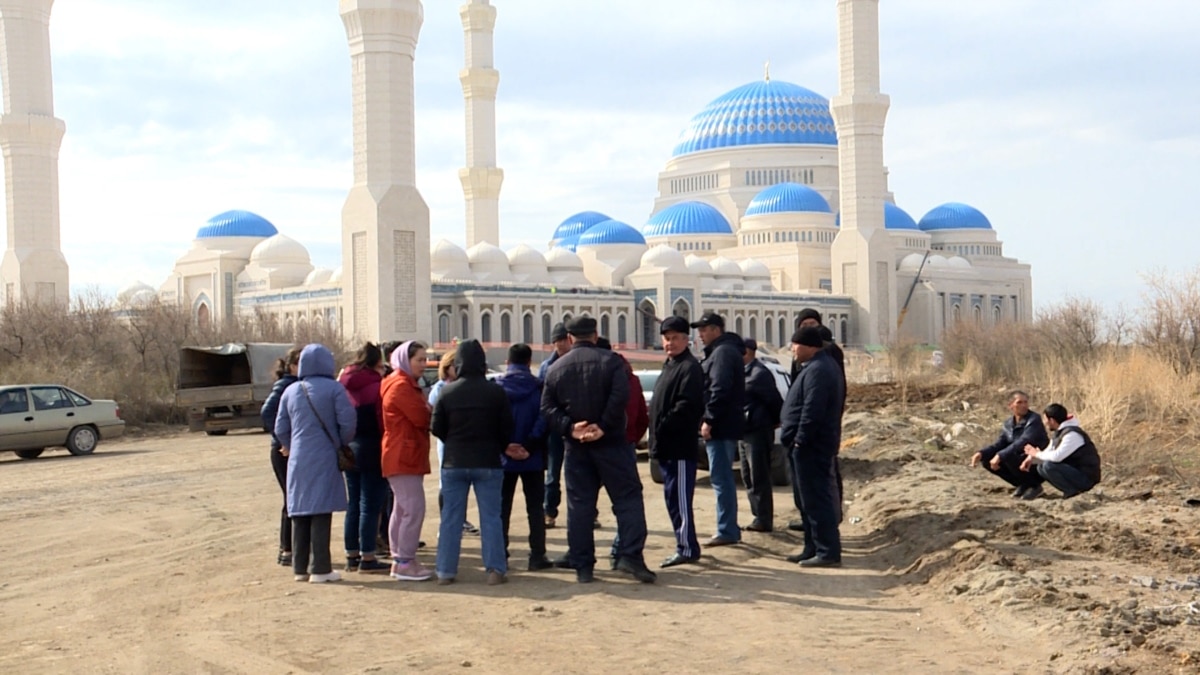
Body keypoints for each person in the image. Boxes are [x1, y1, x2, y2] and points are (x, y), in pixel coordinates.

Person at [541, 316, 656, 584]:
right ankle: (630, 556)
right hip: (613, 444)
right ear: (595, 335)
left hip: (577, 447)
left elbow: (546, 408)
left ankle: (583, 566)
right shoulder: (612, 362)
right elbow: (621, 397)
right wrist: (603, 426)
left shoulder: (557, 368)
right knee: (627, 500)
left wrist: (571, 428)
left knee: (580, 506)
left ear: (569, 338)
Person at [431, 339, 518, 585]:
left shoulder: (446, 392)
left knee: (451, 518)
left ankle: (445, 572)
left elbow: (436, 427)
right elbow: (507, 427)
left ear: (457, 364)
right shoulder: (495, 391)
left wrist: (453, 440)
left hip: (454, 461)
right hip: (488, 460)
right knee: (491, 517)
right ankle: (495, 570)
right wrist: (499, 445)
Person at [274, 343, 357, 583]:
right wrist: (339, 442)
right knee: (321, 510)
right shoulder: (334, 389)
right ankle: (320, 568)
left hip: (297, 457)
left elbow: (280, 426)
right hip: (324, 454)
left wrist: (291, 443)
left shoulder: (291, 390)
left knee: (299, 509)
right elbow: (348, 421)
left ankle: (300, 568)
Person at [780, 326, 845, 568]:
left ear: (808, 346)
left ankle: (827, 551)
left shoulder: (820, 370)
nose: (793, 350)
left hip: (812, 446)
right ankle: (812, 546)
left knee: (817, 500)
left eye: (795, 345)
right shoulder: (815, 367)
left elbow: (812, 409)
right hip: (806, 446)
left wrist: (801, 439)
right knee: (806, 500)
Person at [649, 316, 706, 568]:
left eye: (675, 338)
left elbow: (686, 407)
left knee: (680, 499)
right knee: (672, 498)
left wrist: (663, 427)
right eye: (667, 338)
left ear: (686, 340)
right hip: (665, 447)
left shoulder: (689, 368)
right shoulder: (669, 366)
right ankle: (684, 543)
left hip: (679, 447)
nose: (670, 343)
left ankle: (687, 547)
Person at [497, 343, 554, 571]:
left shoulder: (497, 388)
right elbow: (544, 419)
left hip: (503, 458)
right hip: (533, 457)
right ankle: (537, 555)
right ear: (529, 363)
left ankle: (500, 553)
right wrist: (529, 445)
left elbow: (494, 420)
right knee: (535, 508)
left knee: (502, 508)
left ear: (508, 362)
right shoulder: (540, 388)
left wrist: (505, 446)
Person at [691, 311, 746, 547]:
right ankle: (728, 527)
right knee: (721, 477)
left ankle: (727, 530)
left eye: (704, 330)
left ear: (716, 330)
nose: (701, 335)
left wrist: (709, 419)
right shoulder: (722, 351)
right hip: (724, 424)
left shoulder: (722, 353)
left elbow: (719, 389)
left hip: (721, 426)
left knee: (721, 478)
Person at [788, 308, 846, 532]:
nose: (809, 329)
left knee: (824, 478)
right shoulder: (802, 358)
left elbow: (820, 398)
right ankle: (810, 521)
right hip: (807, 425)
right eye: (804, 326)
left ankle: (829, 524)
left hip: (820, 428)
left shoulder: (827, 357)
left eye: (813, 325)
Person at [380, 340, 433, 582]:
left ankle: (400, 559)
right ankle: (405, 561)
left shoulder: (399, 383)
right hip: (404, 454)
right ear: (405, 359)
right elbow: (422, 417)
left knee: (402, 510)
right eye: (419, 359)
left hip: (401, 452)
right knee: (413, 509)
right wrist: (429, 408)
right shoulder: (402, 386)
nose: (424, 364)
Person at [336, 343, 389, 573]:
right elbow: (382, 420)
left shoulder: (343, 384)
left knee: (354, 504)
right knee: (371, 504)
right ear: (378, 362)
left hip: (350, 448)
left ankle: (352, 555)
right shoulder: (378, 386)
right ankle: (368, 556)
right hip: (373, 447)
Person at [598, 336, 649, 569]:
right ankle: (623, 552)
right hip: (623, 446)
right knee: (626, 502)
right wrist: (632, 438)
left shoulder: (601, 378)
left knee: (585, 502)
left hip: (595, 446)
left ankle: (582, 556)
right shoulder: (630, 377)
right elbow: (641, 419)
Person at [428, 350, 480, 536]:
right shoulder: (440, 388)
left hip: (464, 442)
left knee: (463, 483)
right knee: (447, 482)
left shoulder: (464, 385)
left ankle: (461, 519)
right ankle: (447, 521)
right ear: (447, 367)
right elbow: (433, 416)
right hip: (448, 441)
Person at [261, 346, 301, 567]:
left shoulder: (295, 384)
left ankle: (292, 548)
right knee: (291, 498)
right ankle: (286, 549)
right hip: (283, 451)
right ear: (293, 366)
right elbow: (267, 413)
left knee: (294, 498)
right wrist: (284, 441)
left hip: (292, 448)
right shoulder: (286, 385)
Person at [970, 390, 1049, 500]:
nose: (1024, 405)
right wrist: (981, 453)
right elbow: (1000, 443)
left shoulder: (1034, 419)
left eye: (1025, 402)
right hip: (1019, 460)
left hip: (1036, 461)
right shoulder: (1008, 423)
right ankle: (1023, 484)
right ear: (1011, 405)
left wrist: (1000, 456)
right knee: (987, 459)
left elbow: (1024, 440)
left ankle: (1034, 485)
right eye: (1019, 402)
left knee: (1007, 455)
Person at [740, 338, 783, 533]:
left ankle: (764, 518)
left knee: (759, 476)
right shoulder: (742, 373)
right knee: (747, 475)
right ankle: (757, 515)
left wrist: (772, 423)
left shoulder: (759, 374)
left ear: (747, 352)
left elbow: (775, 402)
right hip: (744, 431)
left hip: (757, 431)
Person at [1020, 404, 1101, 499]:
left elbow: (1056, 457)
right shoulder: (1060, 433)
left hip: (1086, 478)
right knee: (1041, 467)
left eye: (1045, 419)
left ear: (1052, 421)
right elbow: (1048, 453)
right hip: (1075, 473)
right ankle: (1070, 491)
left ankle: (1072, 492)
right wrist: (1032, 459)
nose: (1044, 423)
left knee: (1048, 466)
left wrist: (1036, 453)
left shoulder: (1072, 434)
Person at [538, 321, 571, 529]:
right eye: (556, 341)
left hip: (575, 426)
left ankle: (589, 513)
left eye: (563, 340)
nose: (560, 345)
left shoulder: (577, 362)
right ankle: (549, 511)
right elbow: (543, 400)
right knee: (552, 474)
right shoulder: (546, 367)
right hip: (554, 429)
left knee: (581, 473)